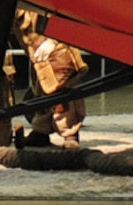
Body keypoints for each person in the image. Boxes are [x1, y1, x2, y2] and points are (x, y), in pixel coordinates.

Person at [18, 13, 88, 147]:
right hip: (34, 41)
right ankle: (41, 130)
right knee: (41, 85)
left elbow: (65, 7)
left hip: (54, 38)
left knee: (63, 86)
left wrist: (55, 39)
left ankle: (70, 133)